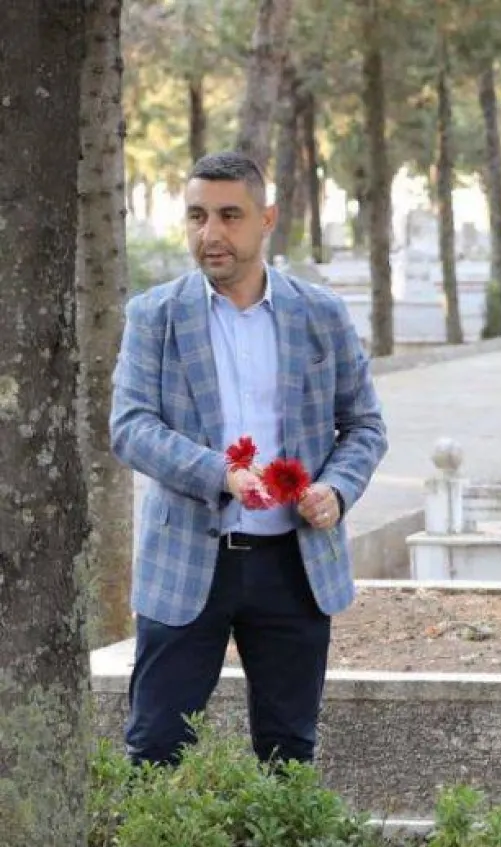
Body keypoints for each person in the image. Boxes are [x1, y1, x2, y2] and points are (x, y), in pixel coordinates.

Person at [110, 151, 388, 767]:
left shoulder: (321, 315)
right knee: (156, 749)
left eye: (229, 215)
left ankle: (284, 837)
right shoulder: (154, 316)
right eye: (197, 216)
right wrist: (221, 474)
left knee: (289, 753)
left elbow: (364, 425)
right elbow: (131, 428)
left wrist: (337, 490)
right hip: (186, 561)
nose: (210, 233)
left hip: (294, 563)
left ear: (267, 219)